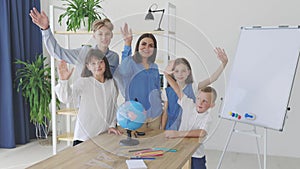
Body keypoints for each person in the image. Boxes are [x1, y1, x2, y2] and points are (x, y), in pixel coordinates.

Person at [55, 49, 122, 146]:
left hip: (103, 136)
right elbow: (66, 98)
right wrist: (63, 81)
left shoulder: (112, 83)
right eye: (93, 63)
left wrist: (112, 125)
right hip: (84, 138)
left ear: (105, 63)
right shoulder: (84, 82)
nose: (97, 66)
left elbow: (113, 107)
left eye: (100, 62)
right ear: (88, 66)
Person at [29, 7, 119, 74]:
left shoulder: (114, 57)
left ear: (111, 35)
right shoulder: (84, 53)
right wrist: (46, 29)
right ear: (94, 36)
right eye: (100, 34)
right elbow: (58, 52)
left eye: (107, 34)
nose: (104, 38)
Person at [161, 48, 228, 130]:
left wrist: (224, 63)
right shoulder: (167, 91)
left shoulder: (194, 87)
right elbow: (165, 113)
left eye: (183, 71)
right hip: (170, 128)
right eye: (176, 71)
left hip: (187, 129)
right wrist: (161, 130)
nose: (180, 74)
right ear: (172, 73)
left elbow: (212, 78)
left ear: (188, 72)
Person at [164, 67, 217, 169]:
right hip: (181, 151)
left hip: (196, 156)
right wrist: (167, 75)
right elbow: (177, 90)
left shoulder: (207, 117)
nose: (200, 103)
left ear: (211, 105)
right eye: (198, 99)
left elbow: (201, 132)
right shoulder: (189, 105)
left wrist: (178, 134)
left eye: (205, 101)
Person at [114, 33, 162, 129]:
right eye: (143, 44)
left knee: (153, 142)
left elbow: (157, 88)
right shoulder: (131, 63)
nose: (147, 48)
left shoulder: (154, 66)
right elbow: (122, 69)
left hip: (155, 113)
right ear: (138, 46)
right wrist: (127, 43)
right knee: (139, 142)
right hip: (136, 113)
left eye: (151, 46)